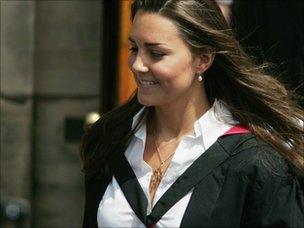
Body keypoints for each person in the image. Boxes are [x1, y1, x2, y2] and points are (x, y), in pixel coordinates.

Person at [80, 0, 304, 227]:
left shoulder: (254, 162)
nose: (137, 65)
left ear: (204, 59)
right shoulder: (111, 139)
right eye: (134, 48)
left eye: (156, 53)